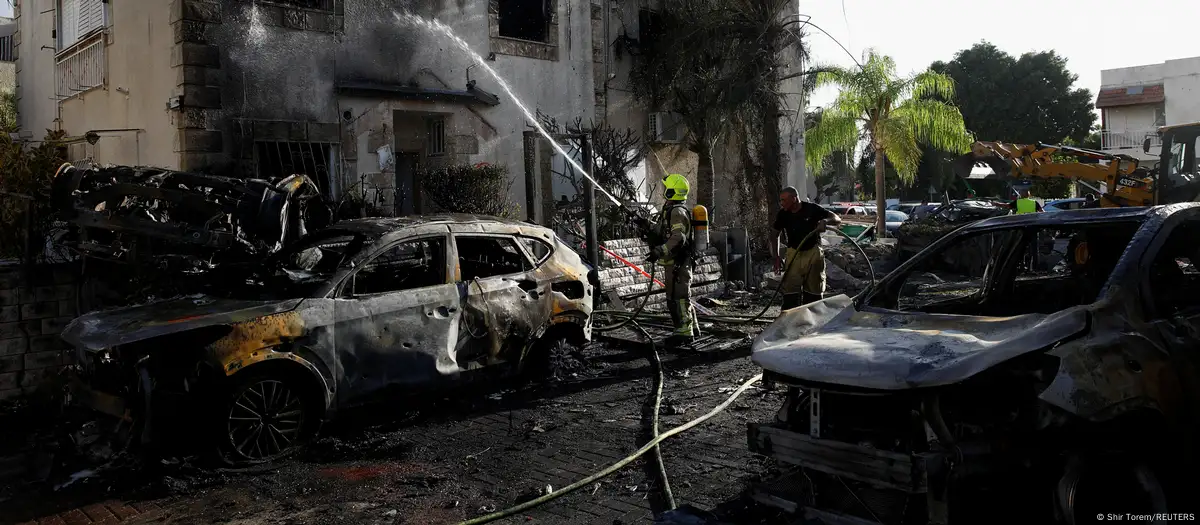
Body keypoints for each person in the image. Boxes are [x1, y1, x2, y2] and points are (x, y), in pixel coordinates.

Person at [770, 187, 841, 310]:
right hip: (794, 254)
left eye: (784, 200)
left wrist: (825, 221)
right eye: (781, 200)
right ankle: (789, 323)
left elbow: (837, 219)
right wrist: (776, 257)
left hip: (813, 253)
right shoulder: (783, 214)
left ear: (794, 198)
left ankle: (813, 322)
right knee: (790, 295)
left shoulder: (811, 209)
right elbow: (774, 235)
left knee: (814, 295)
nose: (781, 203)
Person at [646, 173, 697, 347]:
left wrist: (660, 251)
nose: (663, 191)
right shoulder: (672, 210)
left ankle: (684, 332)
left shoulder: (676, 212)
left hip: (678, 263)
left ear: (672, 192)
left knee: (679, 297)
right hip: (675, 262)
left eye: (667, 188)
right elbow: (664, 232)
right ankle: (692, 327)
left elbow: (678, 237)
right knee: (679, 296)